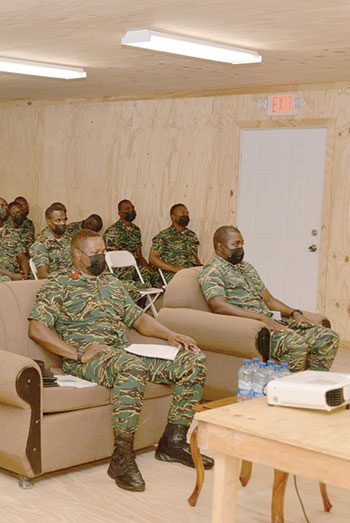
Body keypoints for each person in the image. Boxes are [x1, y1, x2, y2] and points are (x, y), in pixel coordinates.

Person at [28, 229, 212, 492]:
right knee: (132, 368)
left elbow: (137, 318)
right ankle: (122, 458)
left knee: (192, 361)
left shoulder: (112, 283)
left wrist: (170, 334)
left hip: (121, 352)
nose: (102, 257)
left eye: (104, 251)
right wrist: (77, 353)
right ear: (78, 255)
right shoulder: (59, 284)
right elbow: (36, 329)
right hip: (86, 358)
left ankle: (173, 441)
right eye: (96, 253)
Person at [200, 226, 340, 371]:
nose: (240, 248)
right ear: (220, 247)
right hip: (250, 328)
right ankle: (287, 390)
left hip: (271, 321)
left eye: (242, 243)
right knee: (296, 343)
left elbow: (269, 300)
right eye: (235, 244)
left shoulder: (246, 268)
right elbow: (219, 306)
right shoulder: (213, 271)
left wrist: (294, 313)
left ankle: (312, 384)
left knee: (328, 336)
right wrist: (260, 318)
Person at [103, 199, 156, 286]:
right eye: (127, 209)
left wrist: (148, 267)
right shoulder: (113, 231)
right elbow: (112, 257)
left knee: (153, 275)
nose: (131, 210)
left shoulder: (136, 230)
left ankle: (143, 296)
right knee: (142, 277)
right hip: (119, 267)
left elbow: (139, 255)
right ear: (119, 214)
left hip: (134, 266)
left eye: (132, 208)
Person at [150, 203, 201, 284]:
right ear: (173, 217)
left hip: (190, 272)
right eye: (183, 213)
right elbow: (153, 258)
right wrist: (173, 268)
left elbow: (194, 257)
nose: (186, 215)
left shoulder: (192, 235)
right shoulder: (164, 235)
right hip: (171, 273)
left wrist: (200, 268)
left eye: (187, 213)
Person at [29, 203, 72, 279]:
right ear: (48, 221)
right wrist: (66, 279)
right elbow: (42, 275)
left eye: (64, 220)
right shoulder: (40, 244)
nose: (63, 223)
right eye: (58, 220)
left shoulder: (69, 239)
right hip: (56, 285)